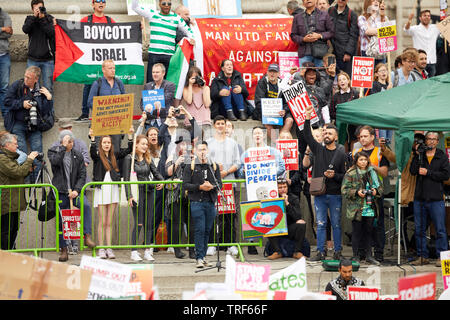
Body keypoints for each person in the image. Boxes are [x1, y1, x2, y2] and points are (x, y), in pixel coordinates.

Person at [304, 104, 347, 261]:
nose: (326, 135)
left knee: (336, 224)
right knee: (320, 223)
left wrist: (334, 175)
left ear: (336, 137)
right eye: (324, 132)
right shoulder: (318, 149)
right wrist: (307, 116)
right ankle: (321, 252)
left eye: (330, 133)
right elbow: (307, 136)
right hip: (320, 193)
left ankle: (337, 251)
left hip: (335, 193)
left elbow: (345, 177)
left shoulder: (342, 152)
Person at [48, 130, 96, 262]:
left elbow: (82, 174)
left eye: (71, 141)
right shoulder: (53, 152)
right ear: (62, 141)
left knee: (85, 206)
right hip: (61, 191)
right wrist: (63, 148)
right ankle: (64, 250)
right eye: (67, 141)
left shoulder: (78, 155)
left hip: (75, 191)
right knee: (62, 220)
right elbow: (55, 163)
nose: (70, 143)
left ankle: (86, 236)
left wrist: (77, 190)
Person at [3, 66, 54, 183]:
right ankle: (24, 182)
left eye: (28, 78)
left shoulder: (40, 90)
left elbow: (45, 111)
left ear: (36, 79)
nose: (25, 79)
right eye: (25, 76)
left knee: (37, 154)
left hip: (35, 125)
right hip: (18, 123)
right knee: (22, 154)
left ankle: (36, 182)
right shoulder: (18, 85)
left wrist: (49, 98)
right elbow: (7, 101)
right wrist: (22, 104)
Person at [89, 127, 133, 259]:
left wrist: (130, 135)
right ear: (101, 144)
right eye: (104, 143)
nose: (107, 145)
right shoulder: (97, 156)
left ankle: (109, 247)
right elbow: (92, 152)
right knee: (102, 222)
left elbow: (129, 150)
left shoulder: (115, 155)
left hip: (113, 189)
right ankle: (101, 248)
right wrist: (92, 138)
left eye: (108, 142)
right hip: (101, 190)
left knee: (109, 222)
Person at [410, 131, 450, 267]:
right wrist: (416, 154)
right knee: (419, 229)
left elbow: (446, 175)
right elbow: (412, 171)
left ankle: (442, 257)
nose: (431, 141)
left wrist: (429, 173)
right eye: (429, 139)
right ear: (425, 140)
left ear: (438, 141)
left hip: (436, 198)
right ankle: (422, 256)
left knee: (440, 229)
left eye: (434, 139)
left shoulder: (442, 156)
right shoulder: (420, 154)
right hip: (420, 198)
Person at [123, 134, 164, 262]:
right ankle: (134, 251)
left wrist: (162, 181)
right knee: (139, 222)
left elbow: (156, 173)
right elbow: (126, 179)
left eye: (146, 144)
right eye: (143, 144)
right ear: (136, 144)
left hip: (149, 192)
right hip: (136, 193)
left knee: (149, 223)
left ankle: (147, 250)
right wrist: (129, 196)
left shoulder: (148, 158)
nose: (145, 146)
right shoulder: (129, 159)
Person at [132, 0, 194, 83]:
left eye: (169, 4)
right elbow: (135, 7)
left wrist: (191, 38)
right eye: (164, 3)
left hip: (169, 55)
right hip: (154, 54)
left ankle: (166, 96)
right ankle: (151, 96)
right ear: (159, 4)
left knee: (168, 82)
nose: (166, 5)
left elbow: (188, 30)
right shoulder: (153, 14)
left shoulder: (176, 17)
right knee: (151, 82)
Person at [182, 141, 222, 269]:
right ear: (195, 152)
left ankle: (203, 256)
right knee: (199, 229)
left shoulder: (213, 166)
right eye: (199, 150)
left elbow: (219, 184)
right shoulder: (191, 166)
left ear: (208, 150)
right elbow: (185, 185)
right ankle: (198, 257)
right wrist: (200, 187)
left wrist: (212, 187)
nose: (202, 152)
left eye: (204, 149)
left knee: (207, 230)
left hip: (210, 202)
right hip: (197, 202)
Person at [353, 125, 389, 262]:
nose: (362, 139)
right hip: (359, 195)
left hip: (375, 194)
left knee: (378, 224)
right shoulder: (356, 151)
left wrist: (370, 165)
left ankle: (379, 253)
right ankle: (362, 253)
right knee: (360, 225)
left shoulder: (380, 152)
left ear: (372, 137)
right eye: (360, 137)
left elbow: (385, 173)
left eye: (365, 136)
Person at [206, 115, 241, 257]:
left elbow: (238, 163)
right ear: (214, 125)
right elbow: (205, 161)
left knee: (230, 215)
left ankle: (230, 244)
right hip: (213, 184)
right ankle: (212, 244)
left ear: (226, 125)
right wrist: (215, 168)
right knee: (213, 215)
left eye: (223, 123)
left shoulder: (232, 143)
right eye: (218, 123)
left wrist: (226, 172)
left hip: (229, 182)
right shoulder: (208, 142)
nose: (220, 125)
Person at [76, 0, 117, 122]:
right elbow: (73, 32)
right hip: (90, 59)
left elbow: (122, 33)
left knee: (106, 85)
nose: (101, 3)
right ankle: (85, 113)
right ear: (93, 4)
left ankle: (106, 112)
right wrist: (59, 25)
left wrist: (137, 27)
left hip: (105, 59)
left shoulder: (110, 21)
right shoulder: (86, 20)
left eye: (103, 1)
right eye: (98, 1)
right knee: (88, 84)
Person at [341, 151, 383, 265]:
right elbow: (344, 190)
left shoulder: (371, 172)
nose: (363, 162)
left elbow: (380, 188)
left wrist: (375, 191)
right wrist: (357, 192)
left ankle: (369, 255)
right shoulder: (351, 173)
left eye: (365, 160)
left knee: (369, 231)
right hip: (356, 208)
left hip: (370, 206)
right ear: (356, 161)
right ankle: (356, 256)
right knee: (357, 232)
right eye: (361, 160)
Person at [0, 133, 38, 250]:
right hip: (7, 201)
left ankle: (11, 252)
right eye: (15, 144)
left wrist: (28, 169)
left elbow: (17, 175)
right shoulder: (2, 158)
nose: (17, 146)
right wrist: (29, 159)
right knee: (6, 231)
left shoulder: (11, 157)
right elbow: (16, 172)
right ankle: (6, 255)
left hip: (14, 200)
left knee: (13, 230)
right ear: (7, 145)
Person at [87, 59, 126, 152]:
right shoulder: (97, 83)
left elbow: (125, 101)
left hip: (117, 124)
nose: (113, 70)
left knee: (116, 151)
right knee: (101, 152)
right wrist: (105, 108)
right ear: (103, 69)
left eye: (114, 68)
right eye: (110, 68)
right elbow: (90, 102)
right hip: (101, 123)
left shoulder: (119, 83)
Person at [165, 136, 193, 258]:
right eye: (181, 144)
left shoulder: (192, 158)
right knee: (177, 223)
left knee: (192, 223)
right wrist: (177, 162)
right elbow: (168, 172)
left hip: (189, 193)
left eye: (185, 144)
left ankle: (192, 250)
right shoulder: (172, 157)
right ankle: (177, 250)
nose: (184, 146)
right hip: (175, 194)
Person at [267, 178, 307, 260]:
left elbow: (297, 216)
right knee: (267, 222)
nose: (283, 189)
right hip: (277, 228)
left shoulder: (293, 198)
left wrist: (287, 204)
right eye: (280, 188)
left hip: (290, 227)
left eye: (284, 187)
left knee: (301, 223)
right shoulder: (271, 198)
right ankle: (277, 252)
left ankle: (297, 252)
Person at [22, 0, 55, 94]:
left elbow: (51, 33)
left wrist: (42, 19)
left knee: (48, 88)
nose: (39, 10)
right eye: (36, 8)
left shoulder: (49, 19)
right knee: (30, 86)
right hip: (33, 59)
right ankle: (32, 108)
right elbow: (25, 29)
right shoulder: (29, 19)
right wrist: (35, 18)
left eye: (40, 8)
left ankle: (48, 109)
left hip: (48, 60)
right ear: (32, 9)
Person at [253, 64, 293, 139]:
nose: (272, 74)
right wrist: (268, 112)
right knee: (268, 124)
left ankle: (281, 141)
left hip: (281, 111)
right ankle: (277, 144)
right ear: (267, 72)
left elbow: (289, 101)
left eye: (274, 72)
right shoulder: (262, 83)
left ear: (278, 74)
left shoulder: (284, 83)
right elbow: (258, 102)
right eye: (270, 71)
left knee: (289, 120)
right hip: (266, 111)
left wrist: (284, 110)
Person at [290, 0, 335, 67]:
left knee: (321, 75)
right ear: (303, 3)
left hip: (321, 53)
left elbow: (331, 32)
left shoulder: (325, 15)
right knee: (304, 76)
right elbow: (293, 35)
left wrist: (319, 35)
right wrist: (303, 39)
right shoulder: (297, 17)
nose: (308, 0)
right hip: (304, 53)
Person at [404, 10, 441, 77]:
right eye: (424, 16)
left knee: (431, 83)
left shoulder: (435, 27)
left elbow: (446, 27)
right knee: (420, 81)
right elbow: (406, 29)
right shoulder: (415, 29)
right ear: (420, 18)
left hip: (432, 61)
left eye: (428, 16)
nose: (427, 17)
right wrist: (409, 20)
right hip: (419, 62)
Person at [327, 0, 359, 77]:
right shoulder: (330, 11)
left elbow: (354, 36)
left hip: (345, 54)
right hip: (332, 51)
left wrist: (348, 52)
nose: (341, 0)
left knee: (345, 77)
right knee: (332, 75)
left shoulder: (352, 14)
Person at [329, 71, 359, 150]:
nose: (342, 81)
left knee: (354, 143)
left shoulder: (356, 94)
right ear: (338, 83)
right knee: (343, 145)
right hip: (341, 126)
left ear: (348, 80)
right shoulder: (335, 96)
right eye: (340, 80)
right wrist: (341, 116)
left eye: (344, 79)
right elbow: (331, 113)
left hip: (353, 125)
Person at [142, 63, 176, 130]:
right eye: (153, 72)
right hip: (150, 122)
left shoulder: (170, 85)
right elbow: (142, 102)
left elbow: (166, 99)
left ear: (163, 73)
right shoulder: (147, 86)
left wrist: (150, 101)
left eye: (157, 72)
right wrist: (145, 108)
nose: (155, 74)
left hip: (165, 122)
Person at [358, 0, 388, 65]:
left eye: (378, 1)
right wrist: (382, 31)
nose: (376, 2)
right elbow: (367, 31)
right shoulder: (362, 18)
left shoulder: (384, 18)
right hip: (366, 52)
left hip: (381, 53)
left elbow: (389, 34)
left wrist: (375, 31)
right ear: (368, 3)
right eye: (373, 0)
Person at [182, 66, 211, 130]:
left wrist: (203, 86)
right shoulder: (186, 89)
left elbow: (207, 104)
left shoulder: (206, 88)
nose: (195, 80)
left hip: (204, 120)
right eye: (193, 78)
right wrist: (190, 85)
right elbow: (189, 101)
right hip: (190, 121)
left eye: (197, 77)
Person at [0, 7, 12, 117]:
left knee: (4, 87)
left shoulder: (5, 15)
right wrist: (3, 29)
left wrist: (5, 30)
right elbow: (5, 32)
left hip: (3, 55)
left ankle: (5, 114)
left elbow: (8, 34)